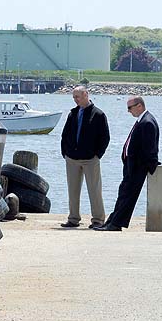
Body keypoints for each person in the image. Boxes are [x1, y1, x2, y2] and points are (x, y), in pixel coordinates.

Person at [94, 96, 160, 231]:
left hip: (137, 167)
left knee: (128, 196)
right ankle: (112, 221)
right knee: (123, 193)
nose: (128, 111)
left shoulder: (147, 122)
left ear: (139, 106)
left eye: (130, 107)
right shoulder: (142, 120)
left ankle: (116, 224)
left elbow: (150, 148)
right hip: (131, 166)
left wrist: (147, 165)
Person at [60, 85, 110, 228]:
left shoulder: (98, 114)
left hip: (90, 159)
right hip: (72, 158)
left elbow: (105, 137)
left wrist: (97, 154)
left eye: (78, 97)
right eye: (74, 97)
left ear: (86, 95)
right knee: (73, 190)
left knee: (94, 190)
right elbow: (65, 134)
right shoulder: (73, 114)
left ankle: (98, 220)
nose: (75, 100)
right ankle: (73, 218)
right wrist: (65, 152)